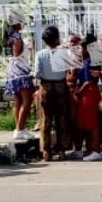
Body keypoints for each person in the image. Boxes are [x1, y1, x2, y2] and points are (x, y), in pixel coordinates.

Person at [34, 26, 72, 161]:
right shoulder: (64, 53)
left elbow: (37, 73)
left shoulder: (40, 54)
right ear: (57, 39)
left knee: (46, 120)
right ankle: (62, 150)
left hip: (46, 86)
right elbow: (69, 71)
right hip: (61, 86)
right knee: (62, 119)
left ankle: (46, 151)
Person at [4, 23, 36, 140]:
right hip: (21, 72)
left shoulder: (10, 36)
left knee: (18, 99)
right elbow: (17, 53)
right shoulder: (16, 38)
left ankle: (19, 128)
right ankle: (20, 128)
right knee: (27, 101)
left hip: (13, 71)